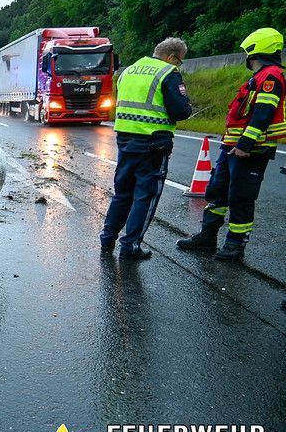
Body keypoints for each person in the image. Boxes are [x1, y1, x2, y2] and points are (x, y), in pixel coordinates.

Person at [177, 28, 286, 261]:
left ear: (255, 51)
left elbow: (263, 114)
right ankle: (207, 237)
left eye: (247, 52)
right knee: (217, 191)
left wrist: (246, 144)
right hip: (232, 147)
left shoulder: (271, 77)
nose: (246, 56)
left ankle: (235, 246)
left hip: (251, 150)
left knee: (241, 197)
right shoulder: (259, 76)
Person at [99, 38, 192, 259]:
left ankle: (107, 238)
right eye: (179, 61)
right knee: (145, 196)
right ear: (171, 57)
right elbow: (179, 111)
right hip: (153, 142)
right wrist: (187, 107)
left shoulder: (129, 71)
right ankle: (130, 246)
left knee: (122, 194)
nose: (178, 65)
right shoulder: (168, 73)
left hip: (125, 139)